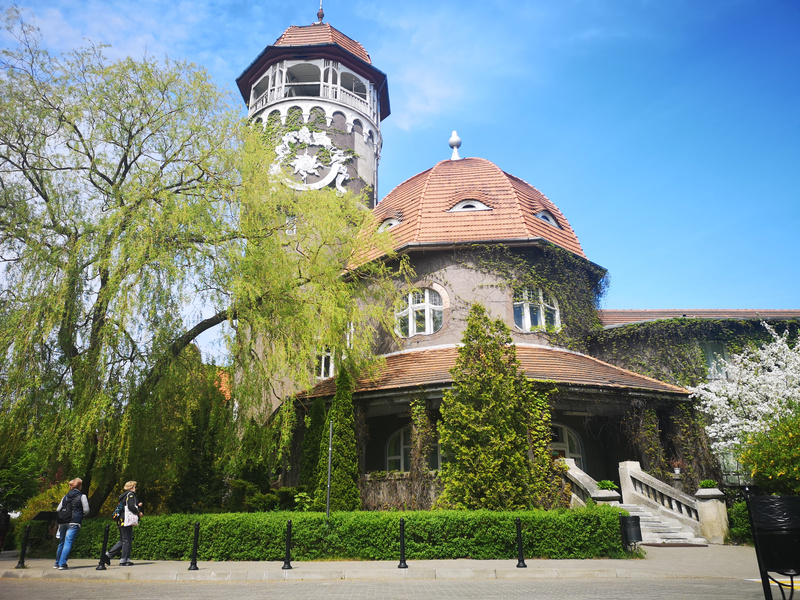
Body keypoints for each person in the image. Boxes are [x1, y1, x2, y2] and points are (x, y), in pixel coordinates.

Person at [54, 478, 90, 570]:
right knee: (68, 542)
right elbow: (86, 510)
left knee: (61, 542)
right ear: (79, 486)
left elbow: (58, 509)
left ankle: (57, 563)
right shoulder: (82, 496)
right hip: (74, 522)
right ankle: (62, 564)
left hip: (63, 521)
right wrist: (80, 515)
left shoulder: (65, 497)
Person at [105, 481, 142, 566]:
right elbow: (131, 506)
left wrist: (138, 505)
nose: (136, 489)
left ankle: (108, 555)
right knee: (127, 540)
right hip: (126, 520)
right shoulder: (131, 495)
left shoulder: (124, 496)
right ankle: (124, 560)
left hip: (121, 520)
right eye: (135, 487)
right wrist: (138, 512)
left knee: (124, 540)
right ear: (131, 487)